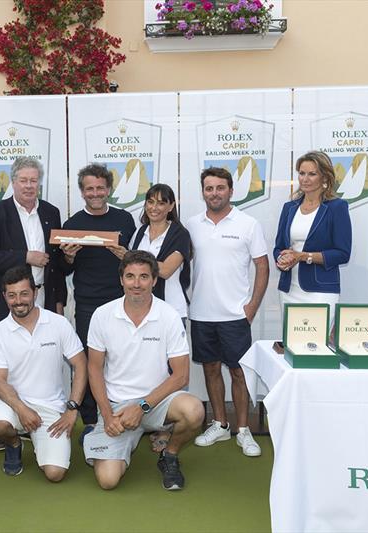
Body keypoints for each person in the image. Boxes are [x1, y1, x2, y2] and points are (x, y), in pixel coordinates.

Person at [83, 250, 204, 491]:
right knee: (108, 481)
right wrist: (107, 415)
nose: (136, 284)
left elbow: (181, 375)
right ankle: (101, 433)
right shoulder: (102, 315)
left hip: (156, 403)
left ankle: (169, 454)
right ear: (121, 280)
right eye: (130, 276)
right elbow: (94, 369)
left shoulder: (168, 315)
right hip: (117, 407)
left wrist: (142, 407)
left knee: (194, 411)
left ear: (154, 280)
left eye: (143, 277)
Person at [0, 156, 67, 451]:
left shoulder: (51, 212)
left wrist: (58, 300)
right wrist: (25, 256)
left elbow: (56, 265)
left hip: (42, 299)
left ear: (39, 182)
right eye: (23, 180)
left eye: (33, 180)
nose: (29, 186)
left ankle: (35, 420)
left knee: (43, 365)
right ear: (13, 182)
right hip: (3, 302)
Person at [187, 167, 269, 458]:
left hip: (235, 315)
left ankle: (243, 430)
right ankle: (220, 424)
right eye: (209, 188)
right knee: (210, 369)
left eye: (220, 188)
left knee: (238, 372)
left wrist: (251, 308)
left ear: (231, 191)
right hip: (201, 314)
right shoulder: (192, 225)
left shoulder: (248, 224)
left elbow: (262, 266)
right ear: (203, 192)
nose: (215, 193)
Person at [0, 266, 86, 480]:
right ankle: (14, 444)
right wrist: (22, 409)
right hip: (14, 404)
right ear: (4, 297)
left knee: (55, 474)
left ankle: (38, 439)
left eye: (24, 293)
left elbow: (81, 365)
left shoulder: (58, 323)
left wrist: (71, 410)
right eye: (12, 295)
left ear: (35, 292)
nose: (18, 301)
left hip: (50, 407)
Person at [59, 163, 136, 438]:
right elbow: (65, 270)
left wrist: (125, 255)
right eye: (89, 188)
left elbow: (136, 262)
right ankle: (91, 419)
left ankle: (122, 413)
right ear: (82, 192)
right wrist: (68, 256)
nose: (95, 193)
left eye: (100, 188)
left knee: (121, 359)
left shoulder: (125, 219)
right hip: (88, 304)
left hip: (122, 303)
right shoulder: (72, 224)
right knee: (91, 361)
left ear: (109, 190)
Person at [274, 151, 352, 320]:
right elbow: (279, 246)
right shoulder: (289, 207)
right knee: (292, 343)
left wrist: (303, 256)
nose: (305, 179)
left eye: (312, 174)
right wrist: (282, 259)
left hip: (321, 290)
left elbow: (342, 254)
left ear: (324, 178)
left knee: (317, 344)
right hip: (289, 289)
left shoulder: (337, 207)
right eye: (302, 173)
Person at [131, 184, 191, 319]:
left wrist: (131, 257)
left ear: (171, 206)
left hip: (172, 310)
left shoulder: (180, 235)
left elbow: (165, 271)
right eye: (150, 202)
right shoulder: (140, 232)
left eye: (161, 203)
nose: (154, 208)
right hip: (142, 311)